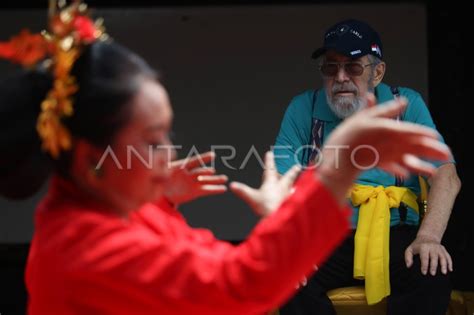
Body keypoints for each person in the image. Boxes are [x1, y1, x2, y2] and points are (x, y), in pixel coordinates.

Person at [0, 5, 451, 315]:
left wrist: (160, 201)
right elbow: (242, 280)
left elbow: (199, 254)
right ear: (92, 160)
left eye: (167, 134)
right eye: (154, 141)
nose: (171, 153)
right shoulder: (96, 247)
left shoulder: (107, 213)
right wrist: (339, 170)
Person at [274, 19, 461, 315]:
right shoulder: (304, 108)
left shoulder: (405, 105)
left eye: (353, 67)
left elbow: (446, 175)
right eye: (331, 67)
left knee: (431, 277)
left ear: (378, 72)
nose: (341, 77)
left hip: (395, 230)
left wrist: (428, 237)